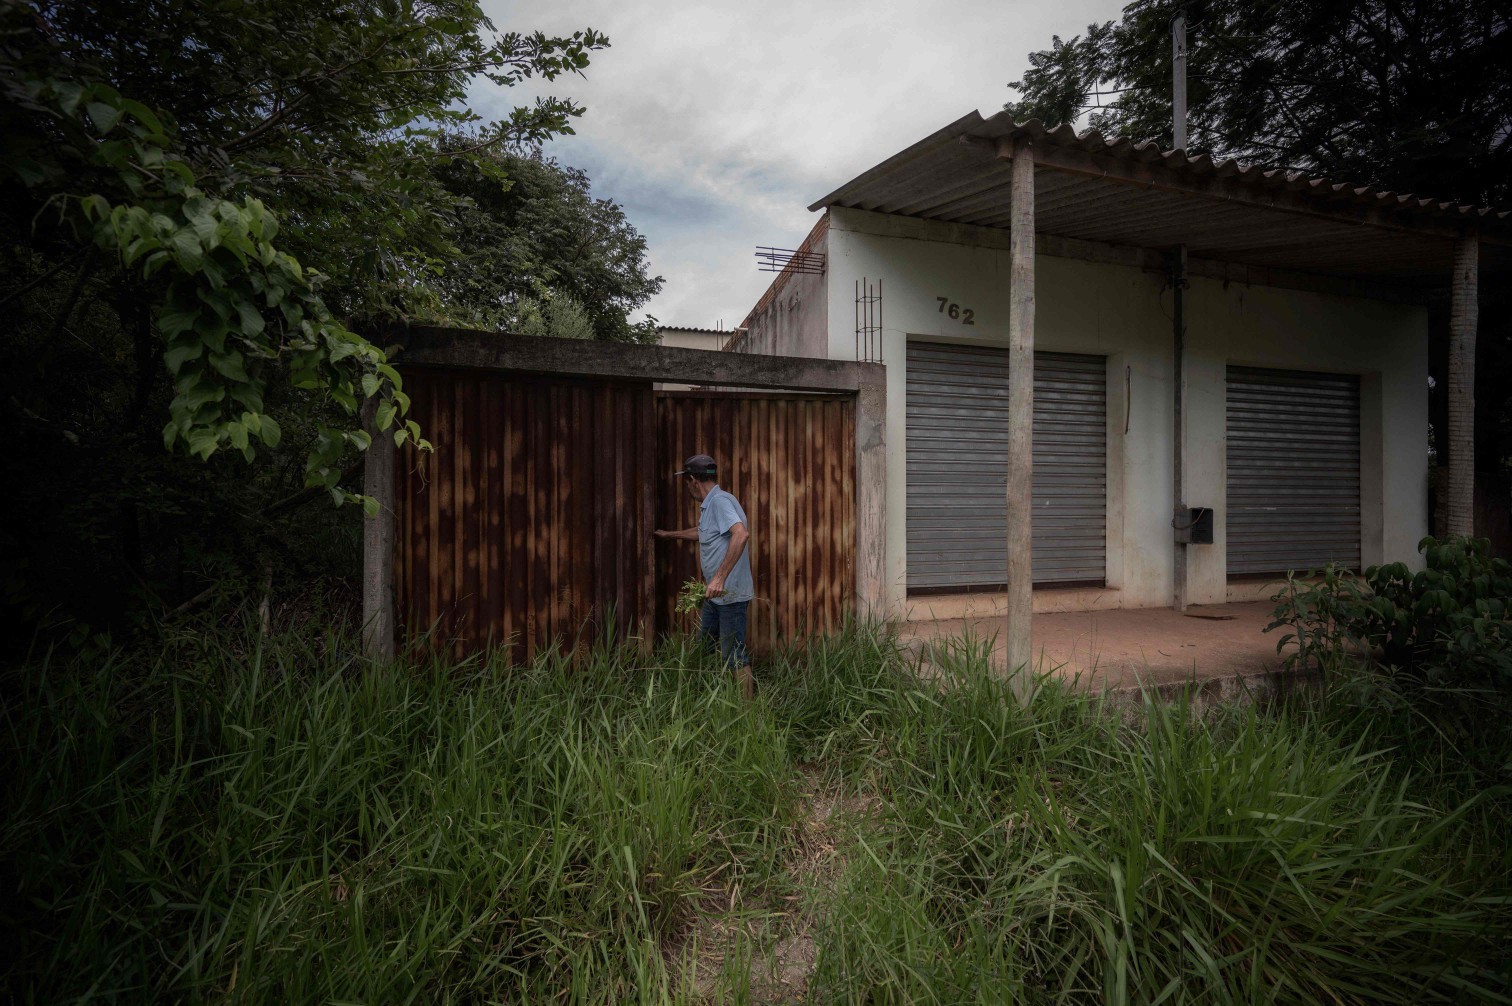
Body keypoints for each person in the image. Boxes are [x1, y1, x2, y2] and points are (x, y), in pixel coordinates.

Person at [653, 454, 755, 699]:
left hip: (728, 596)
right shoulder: (715, 503)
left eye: (686, 483)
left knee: (735, 655)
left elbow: (740, 534)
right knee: (706, 649)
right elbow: (704, 533)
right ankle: (713, 698)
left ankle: (749, 712)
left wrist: (718, 578)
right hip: (714, 597)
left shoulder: (719, 502)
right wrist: (670, 535)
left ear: (692, 480)